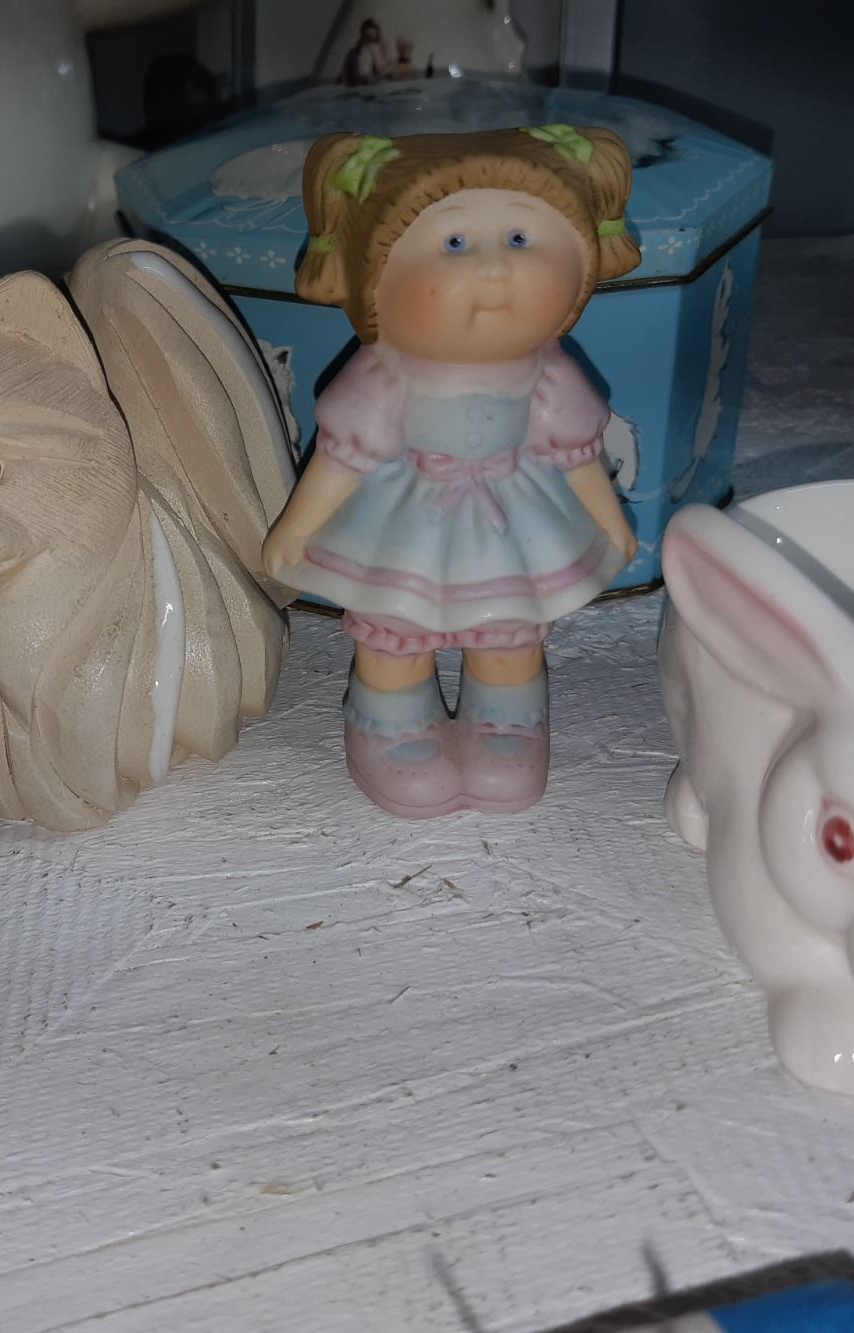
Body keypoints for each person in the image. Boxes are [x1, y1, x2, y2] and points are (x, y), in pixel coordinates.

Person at [263, 127, 642, 817]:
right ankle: (393, 723)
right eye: (457, 243)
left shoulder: (547, 373)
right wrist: (296, 526)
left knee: (510, 632)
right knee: (395, 634)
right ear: (378, 281)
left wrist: (608, 520)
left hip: (512, 524)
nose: (495, 268)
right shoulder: (385, 376)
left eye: (522, 239)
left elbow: (577, 452)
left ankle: (507, 722)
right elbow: (343, 455)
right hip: (403, 525)